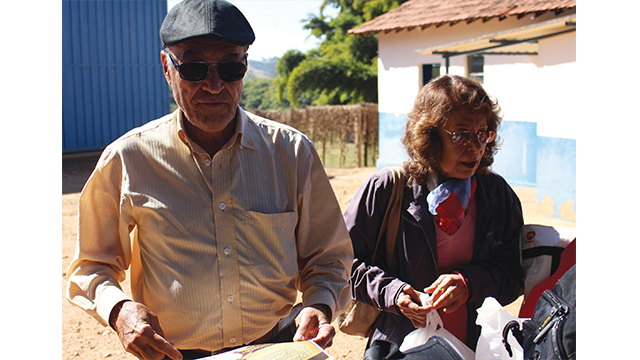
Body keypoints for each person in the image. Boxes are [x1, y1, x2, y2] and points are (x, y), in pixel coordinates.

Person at [66, 1, 353, 359]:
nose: (214, 85)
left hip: (276, 346)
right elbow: (92, 266)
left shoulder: (291, 152)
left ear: (245, 66)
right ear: (166, 68)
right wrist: (119, 309)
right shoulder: (127, 159)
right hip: (173, 352)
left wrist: (320, 304)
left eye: (230, 67)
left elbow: (328, 259)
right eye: (194, 67)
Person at [343, 75, 524, 350]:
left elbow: (513, 274)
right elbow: (343, 264)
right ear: (430, 136)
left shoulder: (497, 195)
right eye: (461, 134)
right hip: (400, 346)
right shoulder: (387, 189)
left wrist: (469, 283)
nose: (475, 146)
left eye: (482, 133)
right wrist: (393, 293)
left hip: (474, 347)